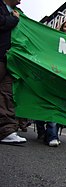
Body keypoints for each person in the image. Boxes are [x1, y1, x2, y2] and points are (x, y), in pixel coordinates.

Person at [0, 0, 26, 144]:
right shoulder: (10, 13)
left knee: (6, 95)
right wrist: (14, 19)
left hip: (8, 60)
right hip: (1, 56)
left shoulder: (18, 13)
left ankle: (6, 131)